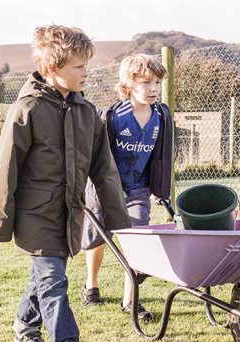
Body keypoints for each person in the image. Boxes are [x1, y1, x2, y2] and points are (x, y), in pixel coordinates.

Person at [0, 25, 131, 342]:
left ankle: (25, 325)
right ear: (53, 70)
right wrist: (0, 221)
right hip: (35, 215)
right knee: (53, 280)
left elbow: (105, 171)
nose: (86, 73)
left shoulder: (88, 114)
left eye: (86, 65)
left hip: (71, 213)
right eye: (78, 67)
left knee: (46, 276)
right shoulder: (28, 109)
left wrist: (119, 221)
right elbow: (5, 169)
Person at [80, 54, 173, 322]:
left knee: (136, 242)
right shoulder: (113, 116)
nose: (154, 88)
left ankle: (130, 301)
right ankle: (91, 284)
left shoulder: (161, 116)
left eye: (157, 82)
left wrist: (159, 189)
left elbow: (161, 156)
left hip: (137, 190)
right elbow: (97, 155)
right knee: (99, 237)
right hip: (104, 187)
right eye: (146, 82)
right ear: (129, 84)